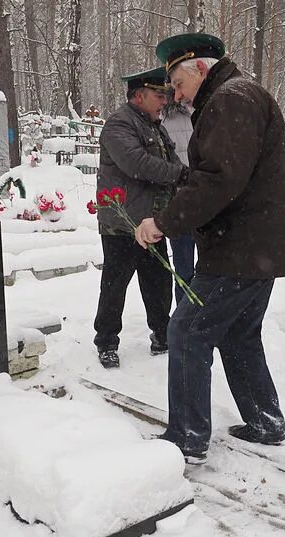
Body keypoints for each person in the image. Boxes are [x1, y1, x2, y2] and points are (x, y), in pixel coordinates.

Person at [136, 33, 285, 464]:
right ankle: (265, 422)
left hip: (239, 248)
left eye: (177, 81)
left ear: (200, 68)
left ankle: (187, 439)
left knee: (187, 331)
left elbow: (217, 178)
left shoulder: (231, 99)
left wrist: (164, 222)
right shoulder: (236, 95)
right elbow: (215, 174)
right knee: (238, 335)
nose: (175, 93)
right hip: (257, 245)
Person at [93, 66, 186, 369]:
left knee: (158, 282)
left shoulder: (155, 127)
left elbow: (169, 159)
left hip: (149, 223)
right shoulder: (118, 125)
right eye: (159, 95)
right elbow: (137, 163)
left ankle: (162, 334)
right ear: (138, 96)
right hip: (122, 224)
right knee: (115, 284)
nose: (164, 101)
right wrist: (182, 174)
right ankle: (106, 341)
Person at [161, 97, 196, 305]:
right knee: (208, 269)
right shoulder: (200, 115)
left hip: (179, 201)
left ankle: (184, 315)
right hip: (199, 198)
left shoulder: (162, 122)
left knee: (183, 267)